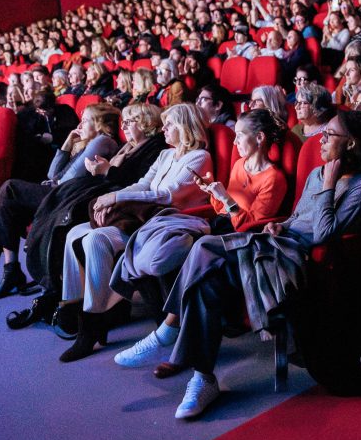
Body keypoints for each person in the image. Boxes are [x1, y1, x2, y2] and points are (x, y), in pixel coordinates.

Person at [166, 111, 361, 419]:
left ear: (351, 143)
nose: (321, 139)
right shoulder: (317, 174)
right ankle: (203, 376)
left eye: (330, 135)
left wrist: (329, 185)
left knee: (203, 247)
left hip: (295, 257)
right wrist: (280, 225)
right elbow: (297, 218)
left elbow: (323, 233)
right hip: (277, 241)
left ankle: (171, 334)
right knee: (208, 279)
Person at [110, 109, 289, 369]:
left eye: (240, 135)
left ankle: (167, 331)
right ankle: (162, 328)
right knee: (162, 225)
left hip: (243, 240)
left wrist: (226, 198)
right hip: (218, 226)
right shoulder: (239, 165)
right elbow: (220, 209)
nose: (235, 141)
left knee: (197, 249)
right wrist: (213, 192)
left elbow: (250, 226)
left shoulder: (274, 178)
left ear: (259, 138)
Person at [56, 103, 211, 362]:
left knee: (95, 239)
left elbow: (167, 195)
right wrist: (110, 200)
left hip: (166, 223)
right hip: (144, 220)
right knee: (74, 233)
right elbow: (143, 184)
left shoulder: (199, 157)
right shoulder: (166, 154)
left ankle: (92, 323)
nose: (164, 128)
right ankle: (73, 305)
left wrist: (117, 197)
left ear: (185, 128)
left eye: (170, 124)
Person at [0, 103, 121, 299]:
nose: (79, 125)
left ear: (99, 124)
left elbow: (66, 180)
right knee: (8, 204)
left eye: (85, 120)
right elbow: (52, 174)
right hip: (60, 193)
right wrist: (66, 144)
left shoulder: (103, 141)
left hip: (67, 199)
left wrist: (56, 178)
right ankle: (10, 269)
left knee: (10, 189)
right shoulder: (90, 142)